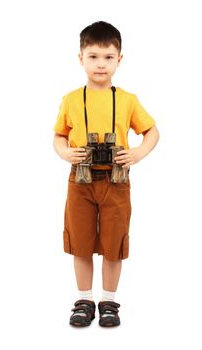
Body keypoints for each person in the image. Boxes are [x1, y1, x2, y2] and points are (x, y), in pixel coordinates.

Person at [53, 21, 159, 327]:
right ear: (81, 58)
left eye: (109, 57)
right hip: (80, 180)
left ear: (120, 59)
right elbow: (58, 135)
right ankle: (84, 299)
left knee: (114, 243)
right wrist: (64, 152)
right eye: (94, 56)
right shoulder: (71, 100)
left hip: (117, 180)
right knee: (81, 241)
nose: (101, 64)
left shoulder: (127, 99)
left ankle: (109, 302)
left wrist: (137, 153)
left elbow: (152, 131)